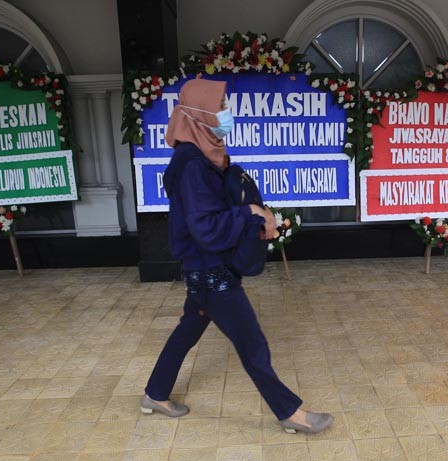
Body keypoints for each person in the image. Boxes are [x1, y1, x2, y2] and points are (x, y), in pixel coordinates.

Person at [141, 78, 333, 434]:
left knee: (188, 330)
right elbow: (205, 226)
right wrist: (251, 213)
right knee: (252, 342)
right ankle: (290, 413)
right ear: (200, 113)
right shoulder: (193, 165)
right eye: (220, 107)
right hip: (210, 270)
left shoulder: (201, 156)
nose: (226, 114)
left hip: (202, 269)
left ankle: (155, 393)